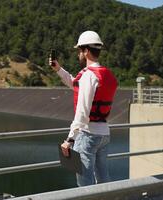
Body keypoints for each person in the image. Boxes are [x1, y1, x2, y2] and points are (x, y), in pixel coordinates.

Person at [49, 30, 118, 187]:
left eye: (79, 50)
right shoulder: (105, 74)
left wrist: (69, 139)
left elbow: (82, 113)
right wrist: (58, 69)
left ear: (86, 51)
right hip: (104, 135)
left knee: (85, 183)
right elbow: (76, 85)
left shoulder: (88, 75)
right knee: (103, 179)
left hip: (88, 136)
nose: (78, 54)